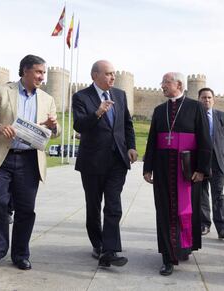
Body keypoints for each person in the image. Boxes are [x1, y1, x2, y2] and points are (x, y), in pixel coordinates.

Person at [0, 54, 60, 271]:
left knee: (26, 209)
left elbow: (55, 132)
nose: (42, 77)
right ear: (25, 71)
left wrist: (53, 126)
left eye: (44, 72)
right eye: (38, 72)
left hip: (29, 161)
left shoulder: (47, 100)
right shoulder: (2, 91)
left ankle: (20, 254)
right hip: (2, 159)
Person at [143, 72, 212, 276]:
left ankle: (183, 247)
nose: (162, 86)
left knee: (186, 209)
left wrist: (201, 169)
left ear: (179, 84)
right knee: (164, 210)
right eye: (162, 82)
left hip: (187, 169)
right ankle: (167, 256)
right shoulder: (159, 110)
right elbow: (152, 141)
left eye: (165, 82)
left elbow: (204, 140)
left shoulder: (195, 107)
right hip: (164, 169)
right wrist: (148, 167)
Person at [72, 60, 137, 268]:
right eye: (108, 74)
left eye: (113, 73)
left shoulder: (120, 95)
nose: (112, 77)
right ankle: (98, 244)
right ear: (95, 76)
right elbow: (79, 125)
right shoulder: (81, 97)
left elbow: (127, 124)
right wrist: (98, 112)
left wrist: (131, 146)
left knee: (113, 205)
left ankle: (110, 250)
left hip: (117, 160)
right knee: (94, 207)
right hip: (92, 162)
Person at [198, 88, 224, 239]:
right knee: (202, 194)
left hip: (217, 162)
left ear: (213, 99)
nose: (206, 100)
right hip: (199, 163)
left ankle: (222, 228)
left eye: (209, 97)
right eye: (203, 97)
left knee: (218, 195)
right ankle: (204, 224)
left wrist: (217, 150)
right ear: (198, 99)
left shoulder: (222, 116)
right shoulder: (195, 116)